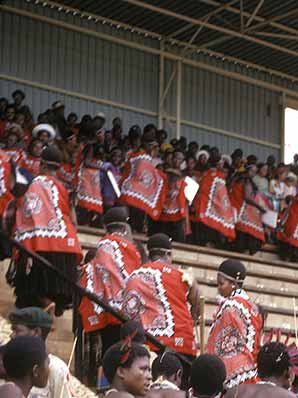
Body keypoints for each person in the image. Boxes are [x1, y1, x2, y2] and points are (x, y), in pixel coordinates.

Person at [13, 144, 82, 314]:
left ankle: (45, 303)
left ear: (41, 165)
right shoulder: (66, 187)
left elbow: (28, 215)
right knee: (55, 291)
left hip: (41, 246)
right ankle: (51, 308)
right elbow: (73, 221)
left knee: (32, 291)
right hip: (66, 246)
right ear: (58, 167)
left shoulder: (35, 183)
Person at [78, 206, 143, 380]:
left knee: (110, 351)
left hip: (111, 309)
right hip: (130, 309)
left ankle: (107, 385)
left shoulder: (105, 245)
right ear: (124, 227)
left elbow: (102, 273)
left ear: (106, 227)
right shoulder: (133, 248)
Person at [120, 233, 200, 358]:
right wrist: (193, 319)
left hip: (151, 344)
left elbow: (127, 312)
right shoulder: (182, 274)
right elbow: (198, 300)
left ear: (150, 254)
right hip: (183, 343)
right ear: (168, 254)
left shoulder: (135, 276)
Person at [206, 258, 263, 389]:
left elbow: (218, 342)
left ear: (234, 284)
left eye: (221, 284)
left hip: (233, 372)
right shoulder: (251, 306)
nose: (218, 288)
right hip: (251, 370)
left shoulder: (230, 307)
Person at [120, 132, 165, 233]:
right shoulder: (142, 157)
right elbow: (143, 174)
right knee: (135, 222)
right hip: (136, 193)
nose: (156, 150)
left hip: (133, 193)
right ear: (148, 145)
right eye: (154, 147)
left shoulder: (135, 155)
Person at [191, 148, 236, 247]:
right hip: (207, 205)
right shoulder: (214, 175)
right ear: (218, 164)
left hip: (205, 205)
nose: (222, 165)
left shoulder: (206, 173)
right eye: (221, 163)